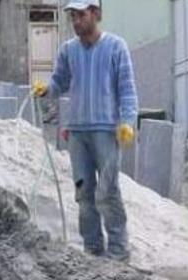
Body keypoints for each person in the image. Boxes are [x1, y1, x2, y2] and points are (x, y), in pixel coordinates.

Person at [31, 0, 138, 262]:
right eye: (73, 17)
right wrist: (46, 89)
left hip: (106, 132)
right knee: (84, 193)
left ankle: (118, 251)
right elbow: (60, 82)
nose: (76, 21)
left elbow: (127, 90)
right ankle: (92, 249)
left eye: (81, 15)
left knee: (107, 191)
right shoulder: (68, 50)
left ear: (96, 14)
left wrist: (127, 122)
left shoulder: (116, 47)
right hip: (77, 133)